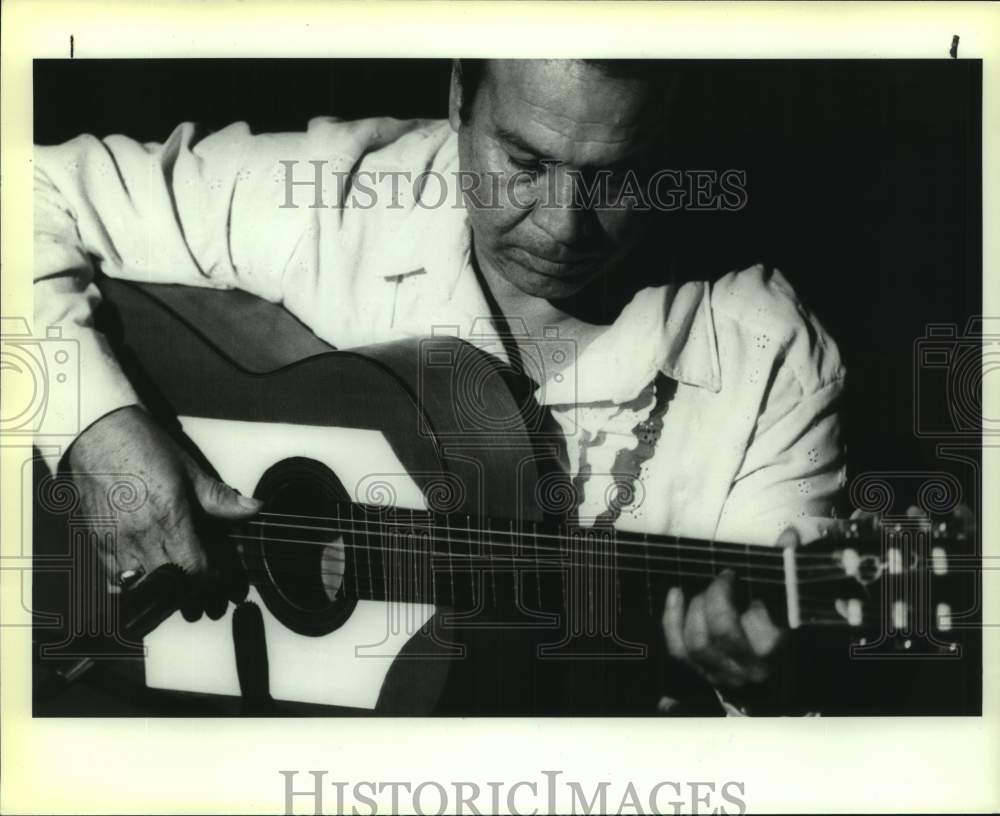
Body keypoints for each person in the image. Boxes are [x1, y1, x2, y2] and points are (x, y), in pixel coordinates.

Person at [33, 59, 846, 713]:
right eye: (524, 162)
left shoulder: (768, 358)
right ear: (461, 95)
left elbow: (785, 700)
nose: (562, 225)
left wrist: (761, 686)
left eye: (616, 177)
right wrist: (97, 433)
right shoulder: (338, 193)